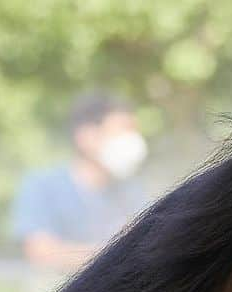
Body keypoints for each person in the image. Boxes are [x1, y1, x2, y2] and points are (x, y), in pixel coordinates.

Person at [13, 92, 148, 271]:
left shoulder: (132, 190)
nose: (131, 141)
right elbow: (40, 253)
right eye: (121, 131)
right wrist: (114, 253)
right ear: (86, 136)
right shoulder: (42, 186)